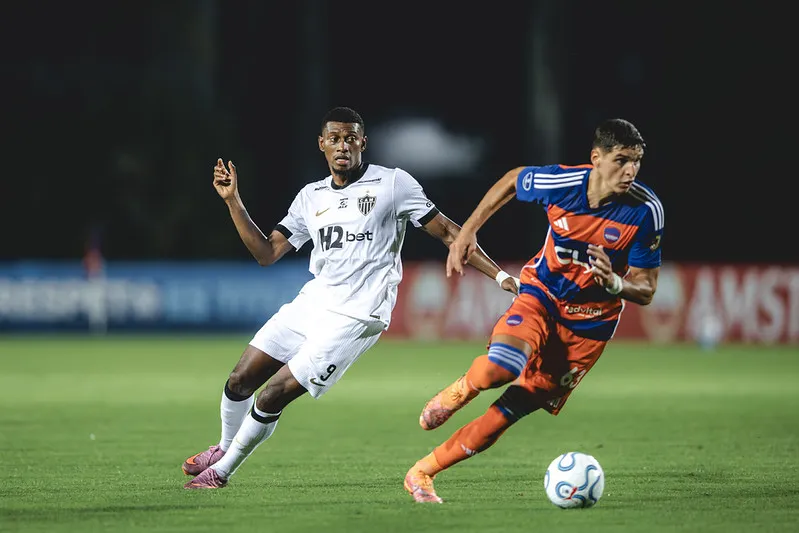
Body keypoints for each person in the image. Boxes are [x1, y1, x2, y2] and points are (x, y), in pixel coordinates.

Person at [182, 106, 519, 489]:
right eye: (335, 139)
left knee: (273, 392)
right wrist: (233, 201)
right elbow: (266, 253)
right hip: (314, 301)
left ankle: (221, 473)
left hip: (358, 315)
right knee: (240, 379)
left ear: (363, 143)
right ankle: (223, 447)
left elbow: (447, 232)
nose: (343, 146)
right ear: (322, 144)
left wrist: (501, 275)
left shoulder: (393, 184)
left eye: (351, 138)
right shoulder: (311, 196)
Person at [403, 118, 663, 503]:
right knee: (501, 367)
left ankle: (422, 472)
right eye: (621, 160)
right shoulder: (564, 184)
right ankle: (461, 389)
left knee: (510, 410)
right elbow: (512, 180)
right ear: (596, 158)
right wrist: (469, 232)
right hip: (541, 297)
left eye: (637, 161)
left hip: (589, 329)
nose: (630, 171)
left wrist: (616, 285)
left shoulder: (645, 211)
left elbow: (646, 289)